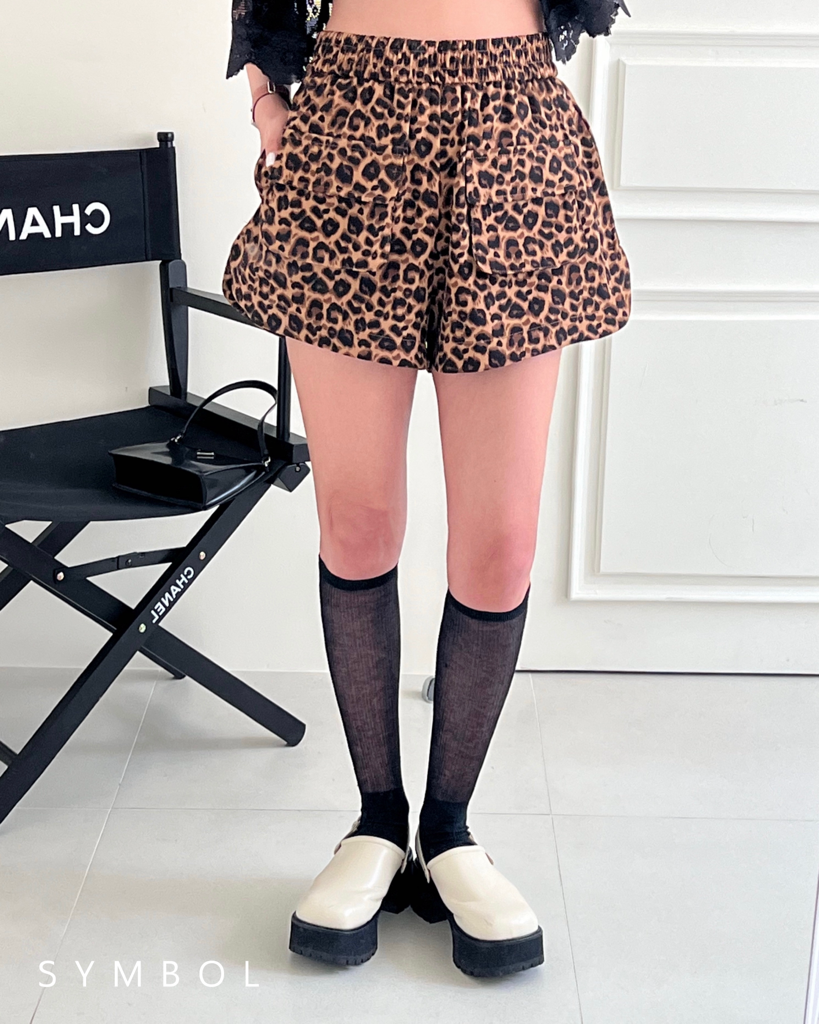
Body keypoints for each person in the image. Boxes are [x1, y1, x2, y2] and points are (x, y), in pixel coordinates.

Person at [222, 0, 632, 979]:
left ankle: (448, 831)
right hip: (349, 121)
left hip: (510, 126)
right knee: (358, 521)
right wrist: (268, 100)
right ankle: (377, 821)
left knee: (501, 545)